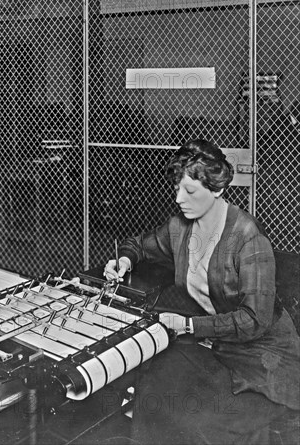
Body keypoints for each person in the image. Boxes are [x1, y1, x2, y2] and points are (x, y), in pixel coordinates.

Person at [104, 139, 300, 444]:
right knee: (153, 385)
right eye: (177, 189)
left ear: (218, 189)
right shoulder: (180, 228)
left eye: (191, 191)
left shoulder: (247, 236)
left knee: (200, 420)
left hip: (263, 357)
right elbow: (139, 245)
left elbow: (254, 320)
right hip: (216, 344)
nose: (180, 198)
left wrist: (188, 325)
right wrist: (123, 261)